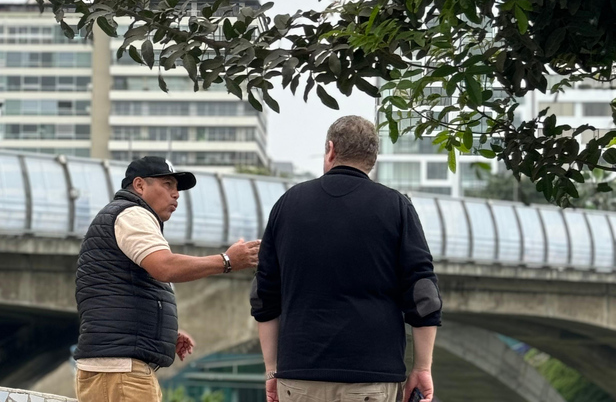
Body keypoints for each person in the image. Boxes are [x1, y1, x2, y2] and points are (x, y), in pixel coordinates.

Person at [251, 116, 442, 402]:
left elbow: (264, 297)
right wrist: (422, 367)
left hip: (300, 375)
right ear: (372, 159)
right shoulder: (396, 207)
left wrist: (272, 370)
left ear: (330, 149)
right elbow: (423, 294)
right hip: (372, 377)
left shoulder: (288, 204)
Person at [75, 156, 261, 402]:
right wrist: (226, 261)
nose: (176, 195)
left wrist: (162, 329)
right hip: (122, 372)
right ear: (140, 185)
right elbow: (164, 266)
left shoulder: (119, 217)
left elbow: (113, 293)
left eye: (177, 188)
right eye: (167, 184)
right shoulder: (132, 214)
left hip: (112, 367)